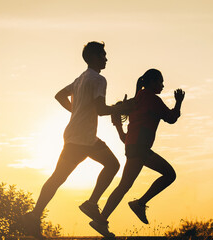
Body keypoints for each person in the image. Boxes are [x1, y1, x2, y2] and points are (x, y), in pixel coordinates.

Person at [21, 41, 133, 239]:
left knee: (58, 178)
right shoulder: (99, 79)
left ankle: (35, 215)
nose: (106, 58)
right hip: (84, 139)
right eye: (102, 55)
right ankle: (90, 204)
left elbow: (59, 95)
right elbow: (101, 110)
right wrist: (121, 108)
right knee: (112, 165)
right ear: (93, 57)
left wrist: (76, 111)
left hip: (75, 135)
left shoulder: (80, 79)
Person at [89, 69, 185, 237]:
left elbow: (121, 119)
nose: (162, 85)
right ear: (152, 82)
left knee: (127, 184)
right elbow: (171, 118)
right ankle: (115, 214)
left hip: (134, 146)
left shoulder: (137, 99)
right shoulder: (152, 100)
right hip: (139, 148)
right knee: (166, 175)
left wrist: (119, 130)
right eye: (160, 82)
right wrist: (178, 102)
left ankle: (115, 214)